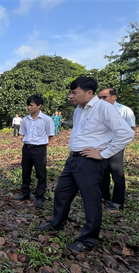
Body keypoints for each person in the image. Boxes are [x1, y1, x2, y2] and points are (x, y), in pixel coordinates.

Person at [37, 77, 134, 252]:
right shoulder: (78, 110)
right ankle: (57, 223)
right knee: (62, 192)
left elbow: (126, 133)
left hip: (90, 162)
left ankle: (88, 239)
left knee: (91, 200)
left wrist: (104, 153)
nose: (70, 96)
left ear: (89, 93)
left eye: (74, 92)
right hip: (73, 159)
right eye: (70, 92)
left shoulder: (104, 108)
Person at [13, 96, 55, 208]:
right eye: (28, 105)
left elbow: (51, 135)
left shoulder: (47, 119)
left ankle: (40, 196)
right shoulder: (25, 119)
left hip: (39, 149)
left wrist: (44, 146)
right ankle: (25, 193)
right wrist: (23, 141)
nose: (29, 107)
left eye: (32, 105)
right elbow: (22, 133)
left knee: (40, 173)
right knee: (25, 172)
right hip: (27, 148)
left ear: (39, 105)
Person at [98, 88, 136, 211]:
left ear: (114, 97)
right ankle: (104, 195)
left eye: (105, 97)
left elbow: (131, 129)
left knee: (117, 173)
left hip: (116, 146)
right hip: (101, 145)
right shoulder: (98, 109)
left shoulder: (124, 110)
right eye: (100, 98)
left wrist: (119, 143)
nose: (102, 100)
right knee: (103, 171)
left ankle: (117, 201)